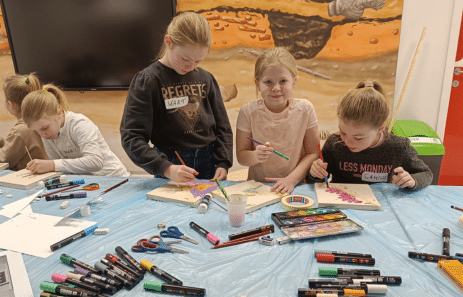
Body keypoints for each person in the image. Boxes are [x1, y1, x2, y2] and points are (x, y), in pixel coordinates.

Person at [120, 12, 233, 183]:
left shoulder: (206, 78)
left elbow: (223, 128)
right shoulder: (148, 80)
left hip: (209, 161)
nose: (191, 66)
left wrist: (223, 163)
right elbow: (132, 137)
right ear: (168, 42)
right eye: (185, 58)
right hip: (170, 163)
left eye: (198, 61)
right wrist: (166, 168)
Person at [309, 81, 433, 190]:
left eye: (358, 138)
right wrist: (315, 174)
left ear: (380, 128)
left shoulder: (398, 147)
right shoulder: (334, 144)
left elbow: (426, 174)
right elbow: (317, 181)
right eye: (342, 132)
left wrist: (411, 181)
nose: (347, 142)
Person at [236, 47, 320, 194]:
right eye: (268, 82)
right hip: (258, 189)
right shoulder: (248, 112)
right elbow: (242, 157)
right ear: (257, 83)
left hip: (295, 187)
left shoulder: (305, 109)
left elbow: (313, 153)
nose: (276, 88)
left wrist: (291, 180)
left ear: (294, 81)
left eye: (283, 81)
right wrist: (255, 156)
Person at [21, 84, 129, 176]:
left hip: (114, 178)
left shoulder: (79, 124)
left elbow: (95, 161)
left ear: (58, 114)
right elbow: (62, 168)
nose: (42, 135)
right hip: (88, 183)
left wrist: (52, 165)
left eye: (44, 128)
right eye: (36, 131)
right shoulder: (47, 133)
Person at [0, 73, 48, 170]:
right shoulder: (39, 120)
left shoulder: (21, 130)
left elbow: (3, 160)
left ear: (11, 105)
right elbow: (12, 150)